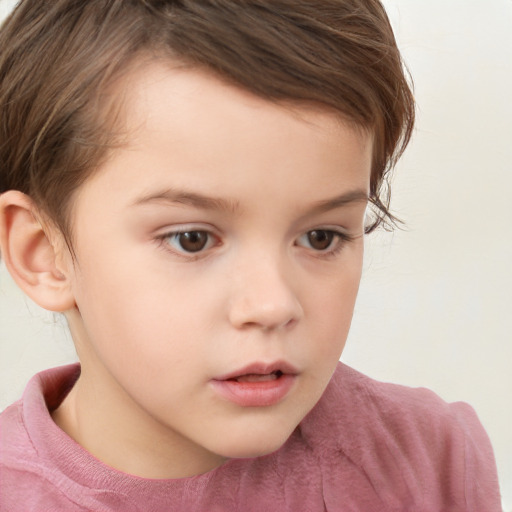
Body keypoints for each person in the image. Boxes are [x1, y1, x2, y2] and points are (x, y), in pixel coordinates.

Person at [0, 0, 501, 510]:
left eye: (321, 237)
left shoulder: (429, 462)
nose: (273, 305)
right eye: (192, 239)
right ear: (43, 253)